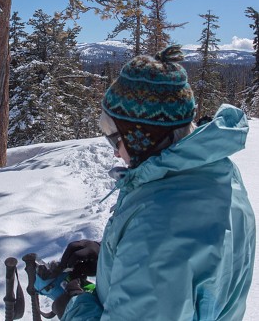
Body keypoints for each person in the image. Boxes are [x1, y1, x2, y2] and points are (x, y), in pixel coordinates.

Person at [51, 46, 253, 320]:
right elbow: (196, 271)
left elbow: (164, 247)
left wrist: (75, 307)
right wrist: (113, 256)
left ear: (142, 137)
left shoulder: (162, 226)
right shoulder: (216, 171)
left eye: (114, 136)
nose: (114, 150)